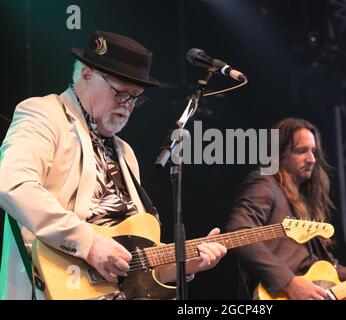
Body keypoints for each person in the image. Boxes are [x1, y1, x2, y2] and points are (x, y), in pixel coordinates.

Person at [0, 31, 226, 300]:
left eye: (136, 98)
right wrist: (89, 242)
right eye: (121, 93)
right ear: (86, 76)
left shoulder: (125, 153)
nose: (128, 105)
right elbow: (12, 183)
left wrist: (181, 265)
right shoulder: (44, 114)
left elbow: (133, 265)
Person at [225, 117, 346, 300]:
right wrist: (289, 282)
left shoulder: (301, 203)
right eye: (301, 151)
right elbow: (238, 231)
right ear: (278, 153)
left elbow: (335, 273)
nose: (312, 159)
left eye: (314, 152)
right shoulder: (264, 183)